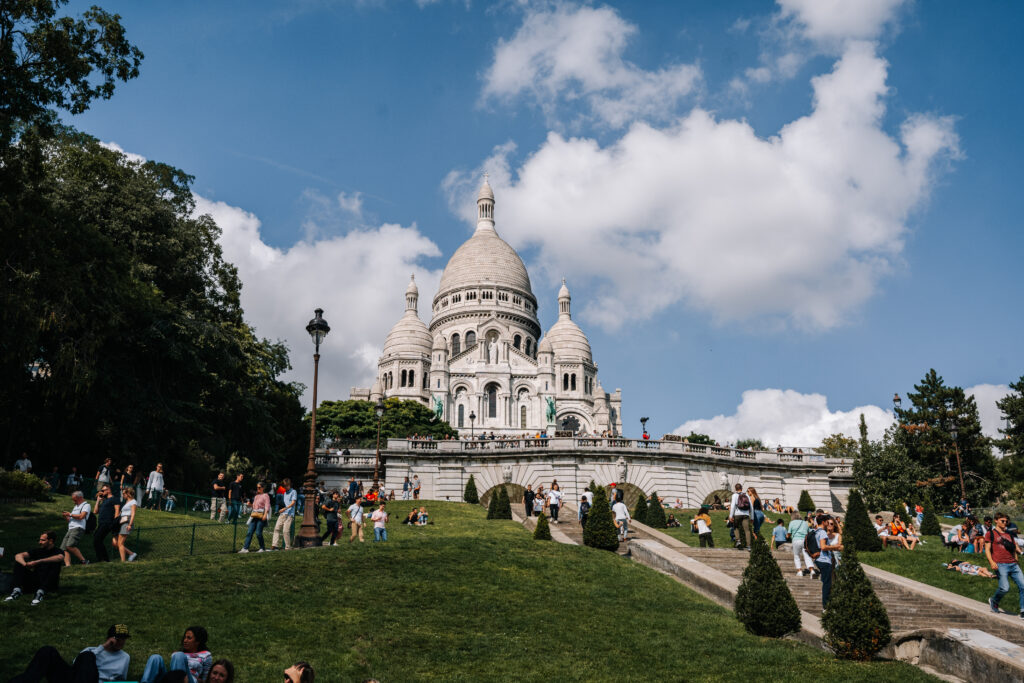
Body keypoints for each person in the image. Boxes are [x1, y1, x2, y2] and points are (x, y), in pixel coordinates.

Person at [9, 624, 131, 683]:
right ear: (110, 638)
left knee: (88, 656)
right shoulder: (91, 650)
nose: (122, 641)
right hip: (75, 679)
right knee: (48, 650)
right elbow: (75, 665)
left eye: (124, 638)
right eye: (118, 638)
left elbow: (121, 680)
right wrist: (102, 648)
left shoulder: (125, 657)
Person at [5, 531, 64, 605]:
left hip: (49, 582)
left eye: (43, 540)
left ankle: (40, 592)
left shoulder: (58, 551)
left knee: (54, 564)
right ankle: (17, 590)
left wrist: (39, 561)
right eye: (40, 540)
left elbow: (60, 558)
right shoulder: (38, 551)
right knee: (19, 563)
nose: (40, 542)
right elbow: (18, 556)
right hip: (35, 581)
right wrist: (25, 564)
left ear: (51, 541)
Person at [140, 626, 212, 683]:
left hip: (190, 680)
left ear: (198, 641)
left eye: (189, 638)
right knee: (155, 658)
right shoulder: (178, 654)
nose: (185, 640)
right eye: (185, 637)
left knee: (179, 655)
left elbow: (207, 680)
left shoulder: (206, 655)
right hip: (172, 680)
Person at [986, 512, 1024, 618]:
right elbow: (987, 550)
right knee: (1004, 588)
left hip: (1013, 564)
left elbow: (1013, 549)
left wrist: (1016, 560)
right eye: (1003, 521)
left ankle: (1023, 611)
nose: (1005, 523)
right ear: (996, 521)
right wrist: (992, 562)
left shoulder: (1009, 534)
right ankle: (994, 601)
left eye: (1007, 521)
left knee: (1023, 586)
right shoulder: (991, 533)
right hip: (1000, 564)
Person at [60, 490, 92, 566]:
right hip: (71, 528)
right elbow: (71, 519)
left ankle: (84, 561)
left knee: (70, 546)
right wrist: (66, 516)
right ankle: (68, 565)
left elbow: (81, 516)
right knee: (64, 548)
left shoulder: (86, 505)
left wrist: (70, 514)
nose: (74, 501)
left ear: (80, 498)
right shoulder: (76, 506)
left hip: (78, 528)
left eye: (75, 499)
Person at [240, 482, 272, 552]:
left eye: (259, 487)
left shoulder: (265, 495)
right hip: (254, 515)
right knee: (249, 532)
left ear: (263, 488)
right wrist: (250, 505)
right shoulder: (256, 496)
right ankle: (245, 548)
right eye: (257, 487)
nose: (258, 489)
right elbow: (254, 507)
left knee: (258, 533)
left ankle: (262, 548)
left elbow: (267, 506)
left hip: (261, 515)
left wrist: (265, 515)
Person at [93, 484, 118, 562]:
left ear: (108, 490)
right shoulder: (104, 501)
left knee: (97, 539)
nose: (101, 492)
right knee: (96, 539)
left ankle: (103, 559)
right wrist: (98, 500)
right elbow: (95, 511)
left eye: (103, 490)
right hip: (101, 523)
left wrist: (115, 523)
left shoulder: (114, 499)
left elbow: (117, 510)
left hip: (107, 523)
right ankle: (102, 559)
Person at [271, 478, 297, 550]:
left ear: (289, 485)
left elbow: (293, 503)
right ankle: (274, 545)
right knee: (276, 528)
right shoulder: (285, 493)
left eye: (286, 486)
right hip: (283, 513)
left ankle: (287, 547)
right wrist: (281, 509)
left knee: (285, 531)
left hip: (289, 515)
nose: (285, 487)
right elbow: (284, 503)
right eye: (284, 486)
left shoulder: (293, 491)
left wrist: (284, 508)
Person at [115, 487, 139, 562]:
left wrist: (130, 524)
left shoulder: (133, 502)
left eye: (124, 493)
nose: (123, 495)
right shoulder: (126, 502)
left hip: (127, 522)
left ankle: (123, 561)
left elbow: (133, 514)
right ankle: (131, 554)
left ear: (128, 494)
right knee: (118, 543)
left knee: (120, 543)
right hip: (122, 521)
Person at [788, 511, 814, 577]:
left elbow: (789, 533)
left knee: (796, 556)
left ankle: (799, 571)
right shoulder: (804, 523)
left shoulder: (792, 523)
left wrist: (788, 536)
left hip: (796, 540)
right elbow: (808, 532)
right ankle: (811, 570)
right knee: (807, 556)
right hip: (804, 540)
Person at [728, 483, 752, 550]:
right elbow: (751, 506)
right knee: (747, 530)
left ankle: (738, 541)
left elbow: (732, 506)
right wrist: (752, 517)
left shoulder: (734, 495)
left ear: (735, 488)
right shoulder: (746, 495)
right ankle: (749, 546)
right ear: (741, 488)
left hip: (737, 513)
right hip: (746, 514)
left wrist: (731, 516)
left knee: (735, 527)